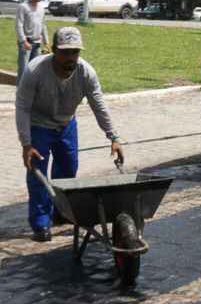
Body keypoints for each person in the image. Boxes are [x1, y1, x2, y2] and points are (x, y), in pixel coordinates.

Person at [16, 26, 124, 242]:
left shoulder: (86, 73)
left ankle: (61, 213)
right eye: (65, 52)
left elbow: (99, 105)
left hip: (66, 124)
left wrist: (114, 137)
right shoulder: (35, 70)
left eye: (74, 52)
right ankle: (40, 223)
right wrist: (26, 144)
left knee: (67, 171)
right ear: (53, 50)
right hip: (39, 126)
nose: (70, 57)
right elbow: (22, 106)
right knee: (38, 175)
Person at [15, 0, 50, 84]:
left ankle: (31, 93)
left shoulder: (41, 8)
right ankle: (20, 94)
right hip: (26, 43)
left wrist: (46, 42)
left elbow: (43, 25)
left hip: (37, 42)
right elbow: (19, 25)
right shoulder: (23, 7)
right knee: (23, 69)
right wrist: (24, 41)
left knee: (34, 70)